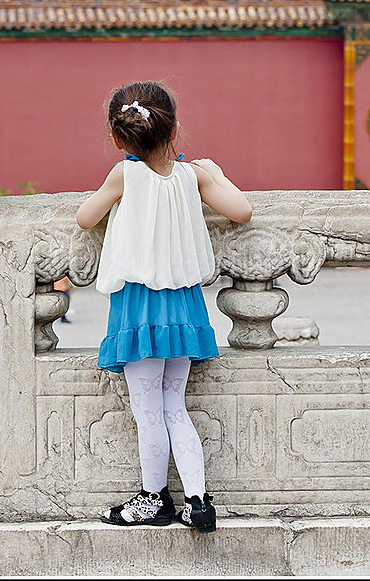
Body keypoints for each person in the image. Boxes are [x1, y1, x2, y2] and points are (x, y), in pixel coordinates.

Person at [76, 80, 252, 533]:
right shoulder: (195, 176)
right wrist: (216, 173)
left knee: (149, 412)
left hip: (139, 308)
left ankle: (154, 499)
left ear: (120, 138)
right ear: (173, 130)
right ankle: (198, 501)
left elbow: (85, 217)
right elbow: (242, 211)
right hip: (183, 307)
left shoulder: (123, 175)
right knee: (175, 406)